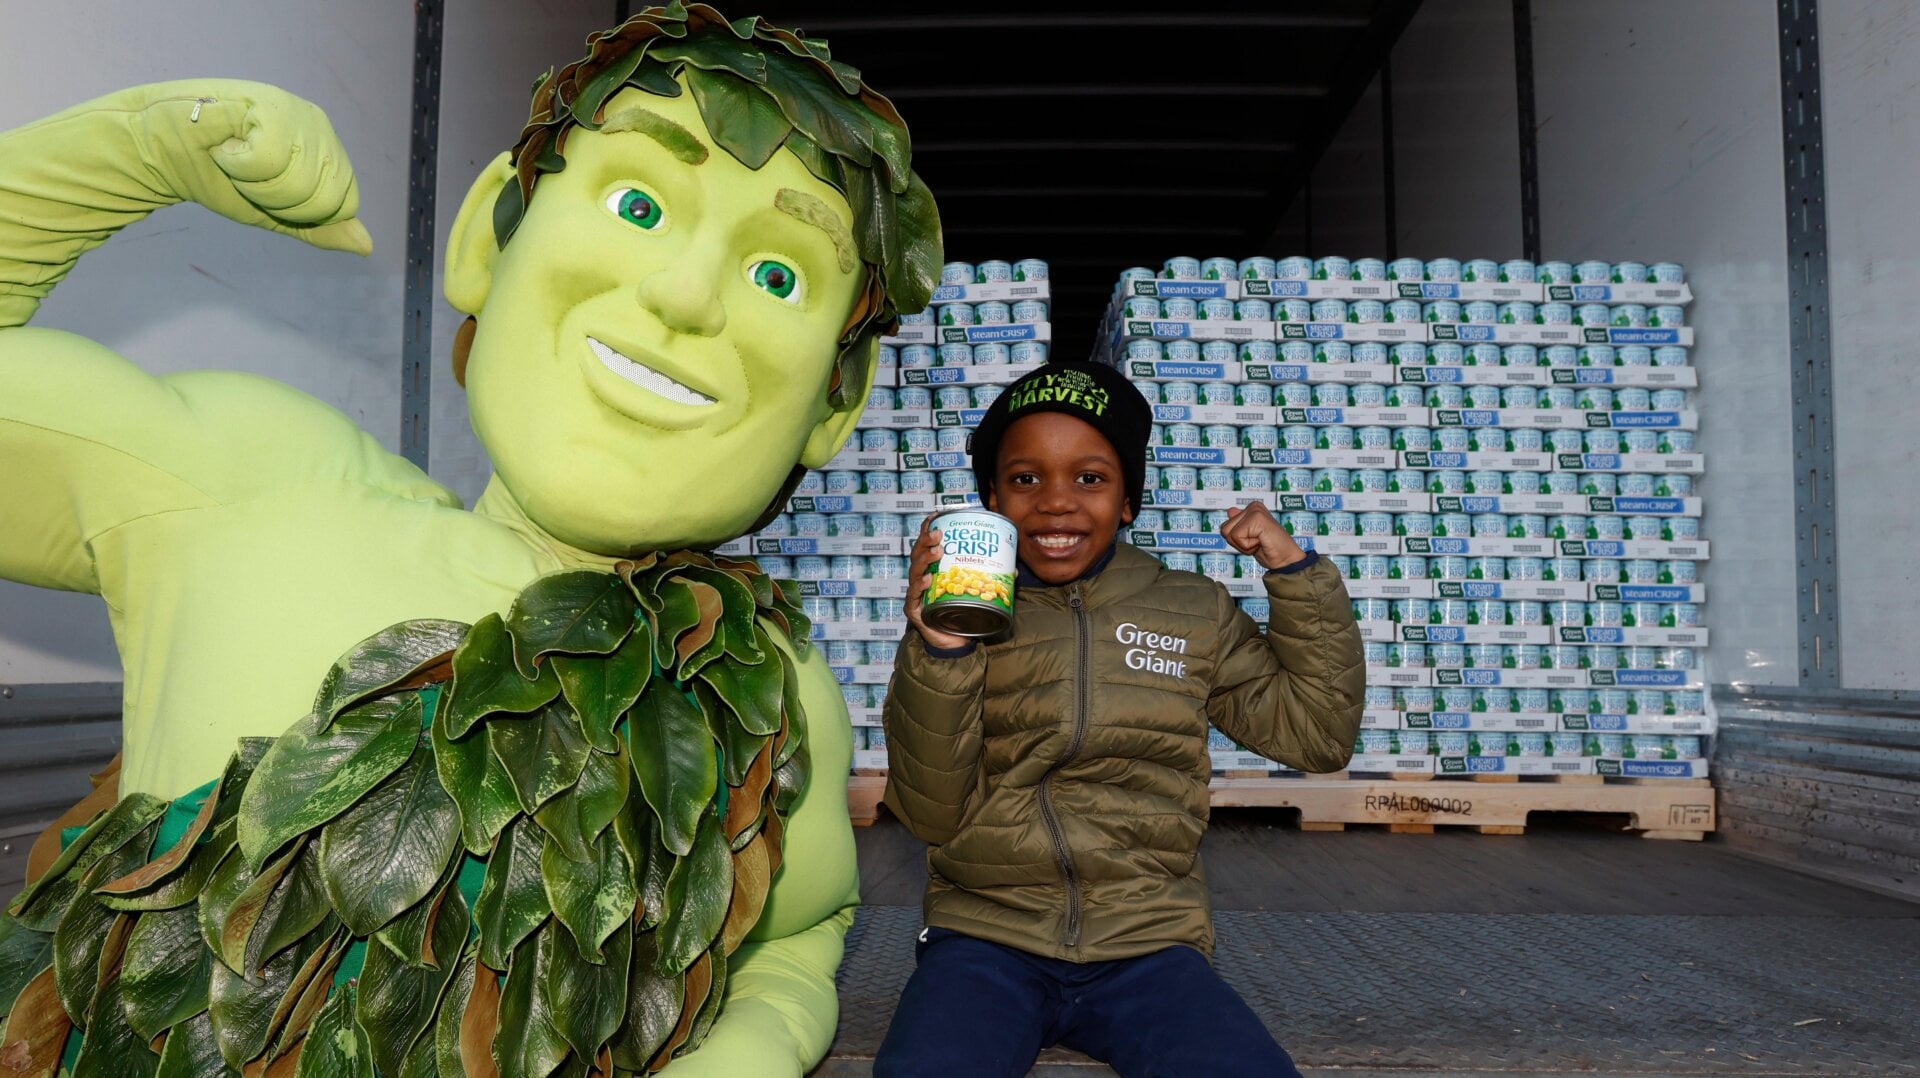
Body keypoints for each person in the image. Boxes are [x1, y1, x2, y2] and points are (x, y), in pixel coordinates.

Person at [0, 7, 939, 1074]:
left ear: (834, 405)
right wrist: (132, 148)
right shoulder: (249, 481)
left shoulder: (759, 683)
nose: (686, 294)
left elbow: (797, 930)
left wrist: (755, 1047)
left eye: (778, 275)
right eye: (637, 205)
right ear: (485, 242)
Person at [876, 361, 1365, 1077]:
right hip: (985, 937)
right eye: (1025, 478)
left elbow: (1316, 736)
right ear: (990, 500)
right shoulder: (962, 622)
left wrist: (1295, 575)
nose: (1056, 503)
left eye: (1090, 478)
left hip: (1148, 942)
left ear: (1128, 499)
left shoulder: (1192, 610)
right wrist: (941, 651)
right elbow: (929, 813)